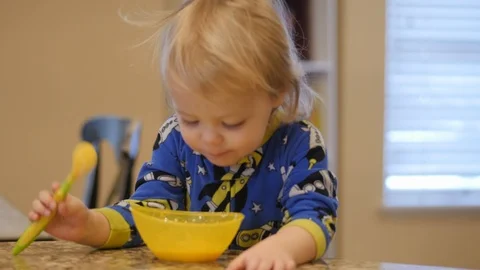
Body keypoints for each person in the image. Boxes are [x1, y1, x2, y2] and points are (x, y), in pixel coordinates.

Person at [29, 0, 339, 269]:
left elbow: (314, 217)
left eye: (231, 123)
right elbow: (147, 215)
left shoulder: (299, 143)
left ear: (277, 93)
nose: (209, 139)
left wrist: (282, 247)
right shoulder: (175, 140)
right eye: (191, 119)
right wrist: (88, 224)